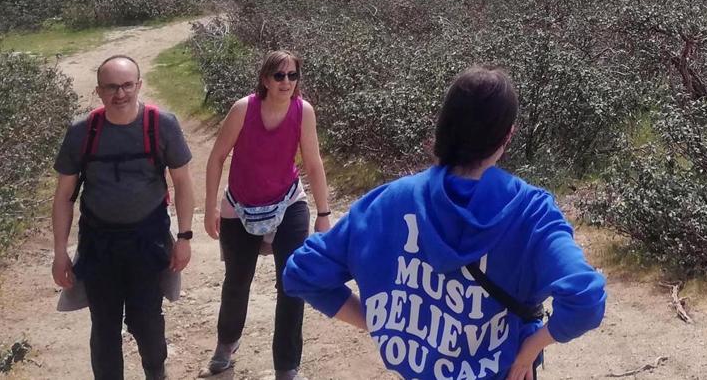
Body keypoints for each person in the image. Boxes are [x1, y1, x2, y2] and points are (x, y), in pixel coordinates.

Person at [282, 65, 607, 380]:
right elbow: (586, 300)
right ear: (507, 136)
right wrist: (530, 348)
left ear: (444, 126)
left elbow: (303, 274)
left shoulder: (389, 202)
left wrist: (382, 321)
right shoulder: (531, 212)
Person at [51, 54, 195, 380]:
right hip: (99, 245)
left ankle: (156, 373)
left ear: (139, 85)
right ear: (99, 91)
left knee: (147, 322)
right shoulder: (81, 132)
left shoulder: (162, 125)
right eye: (112, 87)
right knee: (104, 326)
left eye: (127, 85)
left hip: (149, 242)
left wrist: (185, 238)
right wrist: (60, 252)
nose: (120, 94)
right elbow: (64, 197)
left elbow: (183, 183)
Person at [202, 50, 332, 380]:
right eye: (279, 76)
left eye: (293, 76)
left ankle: (287, 366)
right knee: (237, 282)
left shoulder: (303, 112)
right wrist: (211, 208)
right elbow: (217, 158)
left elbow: (314, 164)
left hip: (288, 202)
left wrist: (323, 212)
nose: (286, 82)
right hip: (240, 204)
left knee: (292, 282)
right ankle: (227, 343)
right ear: (265, 79)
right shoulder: (243, 109)